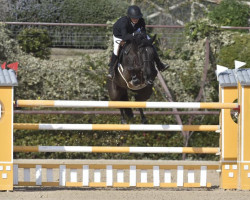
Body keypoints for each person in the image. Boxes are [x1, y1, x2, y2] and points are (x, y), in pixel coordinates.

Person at [107, 5, 169, 79]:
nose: (136, 19)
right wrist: (134, 35)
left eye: (137, 17)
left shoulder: (141, 20)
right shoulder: (123, 22)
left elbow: (143, 32)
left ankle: (160, 64)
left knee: (150, 44)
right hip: (120, 36)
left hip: (134, 33)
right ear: (129, 17)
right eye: (134, 18)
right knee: (116, 50)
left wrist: (143, 38)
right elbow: (125, 37)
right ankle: (111, 69)